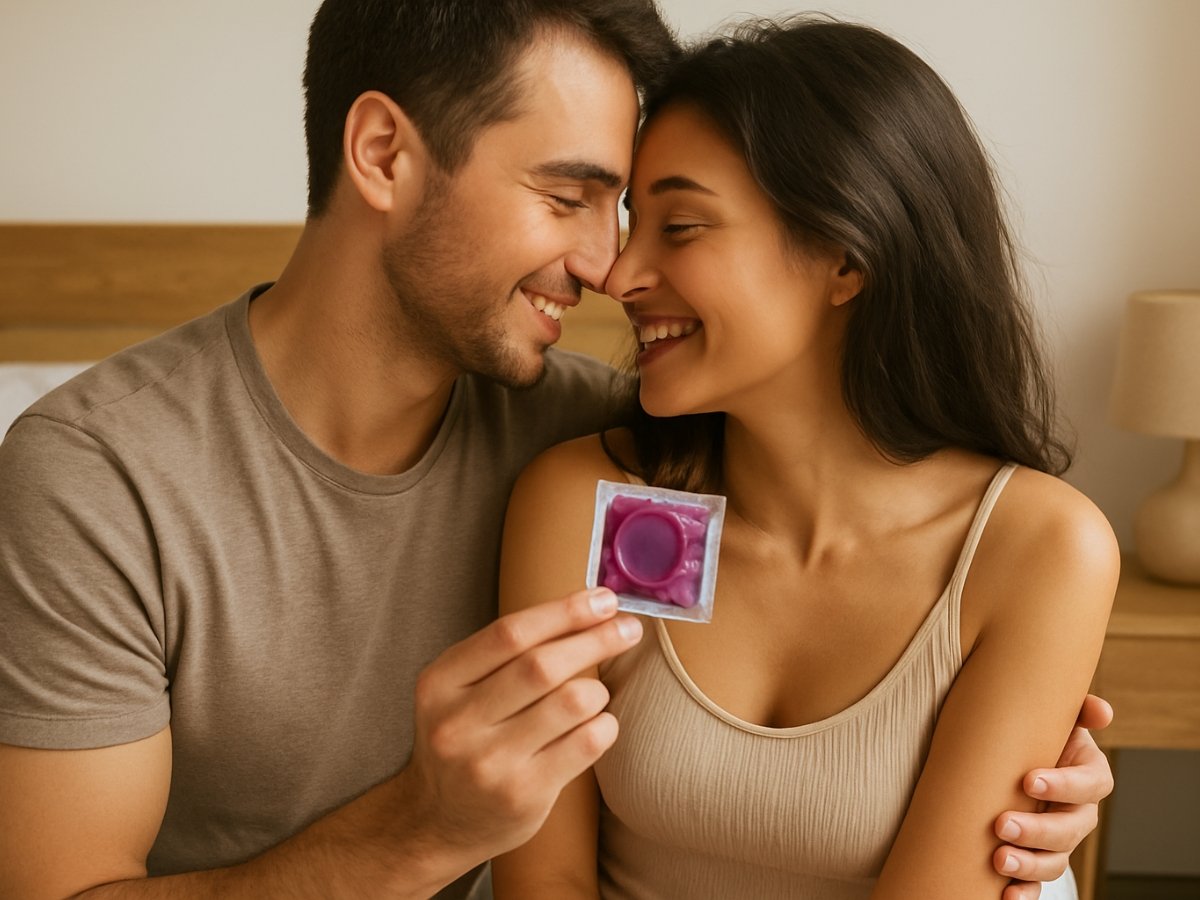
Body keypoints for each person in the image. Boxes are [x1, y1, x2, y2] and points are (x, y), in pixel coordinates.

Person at [0, 3, 1107, 899]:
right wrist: (423, 831)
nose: (606, 268)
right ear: (384, 153)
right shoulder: (99, 477)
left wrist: (1027, 797)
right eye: (569, 196)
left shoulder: (605, 446)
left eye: (635, 214)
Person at [491, 15, 1119, 900]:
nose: (617, 273)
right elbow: (541, 883)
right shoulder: (597, 505)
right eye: (636, 225)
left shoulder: (1035, 550)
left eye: (682, 226)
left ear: (844, 257)